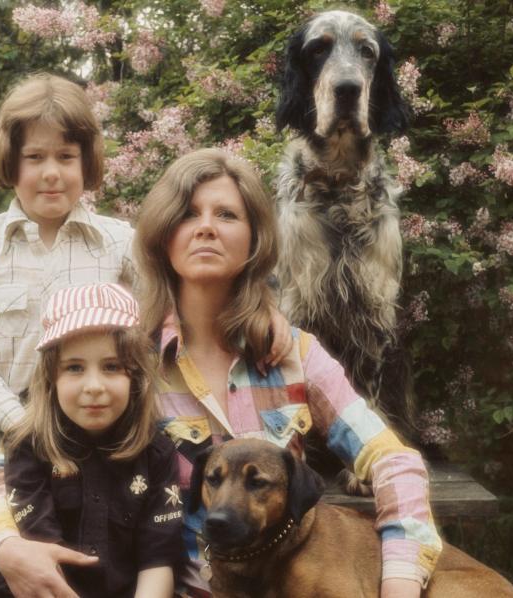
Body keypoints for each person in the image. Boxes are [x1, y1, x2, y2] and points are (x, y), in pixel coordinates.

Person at [0, 73, 291, 597]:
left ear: (87, 161)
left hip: (104, 416)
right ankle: (29, 574)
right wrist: (33, 426)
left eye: (65, 156)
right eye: (34, 157)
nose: (50, 173)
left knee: (132, 497)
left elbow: (179, 309)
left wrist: (267, 307)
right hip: (3, 424)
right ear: (9, 160)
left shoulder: (118, 242)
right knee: (4, 494)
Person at [133, 148, 442, 598]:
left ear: (255, 239)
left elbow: (394, 460)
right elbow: (26, 459)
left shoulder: (295, 354)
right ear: (163, 235)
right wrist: (9, 546)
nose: (205, 227)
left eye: (226, 214)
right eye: (187, 214)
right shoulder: (132, 363)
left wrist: (400, 579)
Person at [0, 283, 184, 597]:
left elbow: (157, 558)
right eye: (74, 368)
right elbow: (42, 551)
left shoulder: (157, 454)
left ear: (136, 376)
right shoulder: (28, 446)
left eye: (112, 367)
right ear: (51, 378)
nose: (94, 386)